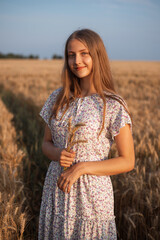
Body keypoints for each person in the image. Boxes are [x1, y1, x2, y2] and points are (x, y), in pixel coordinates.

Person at [38, 29, 135, 240]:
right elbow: (45, 143)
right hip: (57, 191)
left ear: (97, 55)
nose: (77, 61)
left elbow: (128, 161)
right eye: (71, 55)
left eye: (84, 53)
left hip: (92, 198)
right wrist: (56, 153)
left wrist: (82, 167)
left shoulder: (112, 104)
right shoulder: (57, 97)